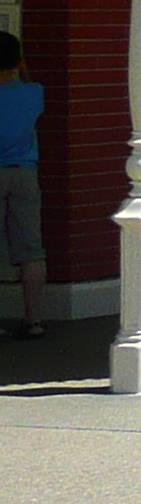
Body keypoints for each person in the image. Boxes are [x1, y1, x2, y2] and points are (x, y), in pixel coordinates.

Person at [0, 32, 38, 337]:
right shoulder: (33, 93)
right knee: (30, 248)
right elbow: (27, 84)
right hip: (25, 173)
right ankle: (33, 318)